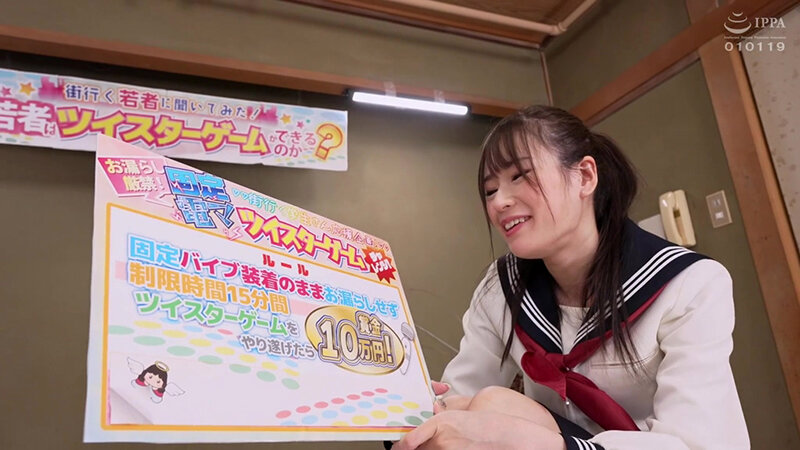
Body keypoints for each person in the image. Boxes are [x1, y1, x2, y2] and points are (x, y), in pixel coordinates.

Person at [395, 106, 749, 449]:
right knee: (471, 407)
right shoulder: (501, 287)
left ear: (585, 176)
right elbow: (461, 394)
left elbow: (701, 443)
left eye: (520, 176)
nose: (499, 202)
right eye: (490, 190)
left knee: (492, 407)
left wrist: (554, 446)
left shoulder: (689, 283)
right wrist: (406, 411)